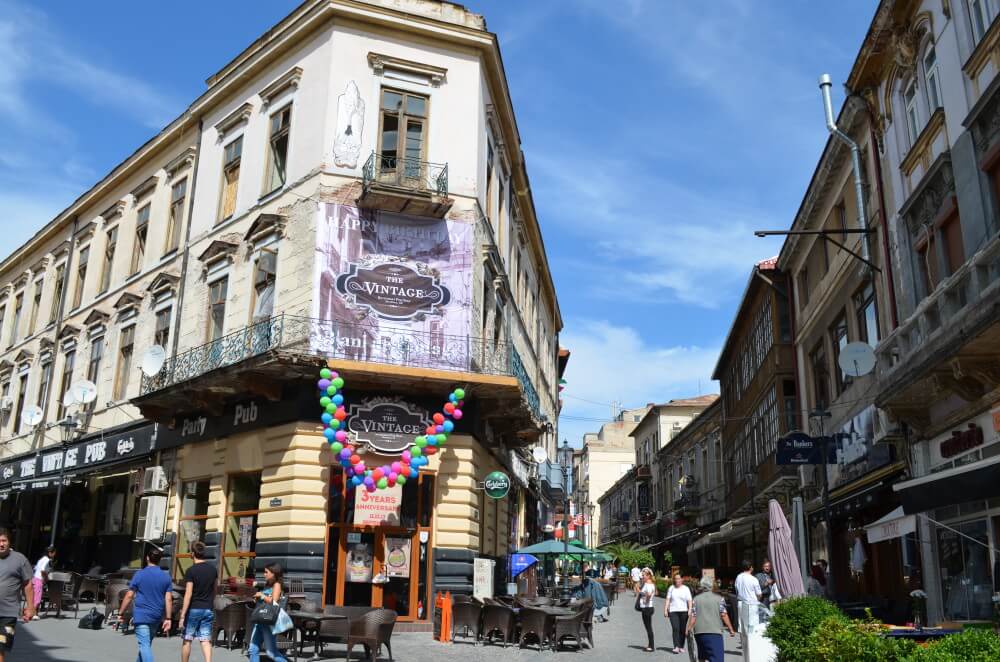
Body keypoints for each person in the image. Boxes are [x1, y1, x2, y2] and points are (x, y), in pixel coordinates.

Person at [119, 547, 173, 662]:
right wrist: (168, 618)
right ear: (160, 560)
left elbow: (129, 595)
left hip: (141, 615)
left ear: (147, 558)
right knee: (145, 645)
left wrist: (121, 612)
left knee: (144, 646)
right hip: (156, 616)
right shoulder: (166, 577)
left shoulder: (140, 574)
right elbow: (168, 599)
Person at [0, 528, 35, 662]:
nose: (1, 544)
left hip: (8, 613)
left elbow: (28, 584)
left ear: (9, 542)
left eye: (4, 540)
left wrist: (31, 607)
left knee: (0, 647)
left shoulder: (20, 559)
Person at [179, 541, 217, 662]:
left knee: (187, 640)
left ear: (192, 554)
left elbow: (188, 594)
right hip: (208, 608)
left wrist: (182, 615)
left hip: (194, 609)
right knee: (205, 640)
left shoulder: (191, 571)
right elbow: (214, 590)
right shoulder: (213, 570)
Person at [686, 577, 736, 662]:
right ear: (711, 586)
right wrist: (731, 629)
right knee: (717, 659)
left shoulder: (696, 599)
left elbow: (693, 616)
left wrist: (688, 629)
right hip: (714, 632)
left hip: (699, 632)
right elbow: (724, 614)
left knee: (702, 656)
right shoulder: (719, 599)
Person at [248, 563, 289, 662]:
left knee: (272, 653)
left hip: (268, 623)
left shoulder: (277, 585)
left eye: (266, 572)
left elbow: (274, 602)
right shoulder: (267, 585)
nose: (264, 574)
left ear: (274, 574)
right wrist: (257, 599)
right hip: (260, 620)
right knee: (253, 649)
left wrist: (262, 596)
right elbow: (265, 600)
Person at [664, 574, 693, 654]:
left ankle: (681, 646)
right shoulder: (671, 588)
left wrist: (690, 609)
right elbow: (668, 599)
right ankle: (676, 646)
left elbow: (689, 600)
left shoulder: (686, 589)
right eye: (676, 579)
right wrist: (665, 610)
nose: (677, 580)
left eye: (678, 578)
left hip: (684, 611)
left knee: (682, 629)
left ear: (682, 580)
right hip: (673, 611)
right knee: (675, 628)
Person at [734, 560, 762, 631]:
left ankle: (744, 642)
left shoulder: (738, 577)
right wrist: (757, 600)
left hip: (741, 603)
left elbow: (736, 590)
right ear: (751, 567)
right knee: (752, 625)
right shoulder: (753, 579)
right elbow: (759, 594)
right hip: (751, 604)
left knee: (742, 625)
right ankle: (751, 641)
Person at [635, 567, 657, 652]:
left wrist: (646, 599)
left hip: (647, 608)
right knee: (648, 627)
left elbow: (648, 594)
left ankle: (651, 646)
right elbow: (648, 593)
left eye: (643, 575)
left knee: (648, 628)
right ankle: (650, 645)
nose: (642, 577)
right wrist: (640, 591)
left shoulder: (648, 584)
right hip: (648, 608)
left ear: (648, 576)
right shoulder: (650, 584)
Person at [32, 546, 56, 617]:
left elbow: (35, 568)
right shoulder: (47, 560)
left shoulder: (41, 559)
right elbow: (43, 570)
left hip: (35, 578)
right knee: (37, 598)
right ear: (50, 553)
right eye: (54, 553)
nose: (54, 555)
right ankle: (34, 614)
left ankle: (34, 613)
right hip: (39, 579)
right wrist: (46, 577)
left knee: (35, 596)